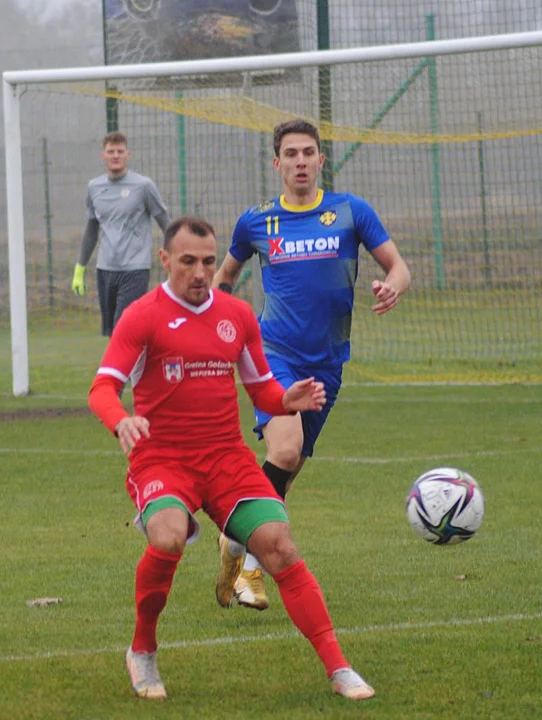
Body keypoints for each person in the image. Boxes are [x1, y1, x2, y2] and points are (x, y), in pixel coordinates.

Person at [88, 216, 375, 702]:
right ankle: (142, 651)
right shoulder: (142, 315)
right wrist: (121, 421)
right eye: (187, 262)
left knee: (279, 545)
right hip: (162, 459)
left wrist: (288, 399)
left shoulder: (236, 315)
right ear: (165, 261)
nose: (200, 273)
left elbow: (260, 385)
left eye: (206, 261)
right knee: (168, 538)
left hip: (226, 458)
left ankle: (338, 666)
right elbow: (103, 387)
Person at [212, 118, 411, 611]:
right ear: (276, 163)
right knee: (285, 449)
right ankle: (251, 567)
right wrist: (210, 331)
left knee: (291, 464)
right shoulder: (255, 222)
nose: (300, 161)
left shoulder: (350, 212)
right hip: (272, 353)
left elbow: (398, 266)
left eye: (309, 152)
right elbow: (224, 280)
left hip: (328, 364)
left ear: (322, 160)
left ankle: (238, 544)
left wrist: (393, 286)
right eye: (291, 154)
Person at [72, 131, 170, 336]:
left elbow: (166, 224)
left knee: (125, 329)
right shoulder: (94, 187)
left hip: (135, 269)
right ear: (103, 156)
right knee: (112, 333)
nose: (115, 155)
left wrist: (177, 257)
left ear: (128, 155)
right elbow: (91, 229)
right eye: (111, 151)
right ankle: (126, 368)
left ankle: (132, 368)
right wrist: (80, 268)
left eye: (120, 151)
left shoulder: (143, 186)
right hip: (105, 269)